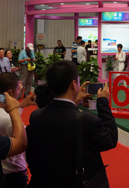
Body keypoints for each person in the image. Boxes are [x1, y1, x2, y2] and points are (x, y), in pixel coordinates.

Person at [26, 60, 118, 188]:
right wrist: (103, 101)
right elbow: (111, 138)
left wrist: (74, 99)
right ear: (74, 84)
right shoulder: (87, 120)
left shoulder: (36, 117)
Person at [0, 73, 37, 188]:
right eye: (18, 90)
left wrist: (20, 106)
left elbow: (5, 113)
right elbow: (23, 141)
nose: (19, 93)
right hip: (13, 175)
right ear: (10, 93)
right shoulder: (8, 119)